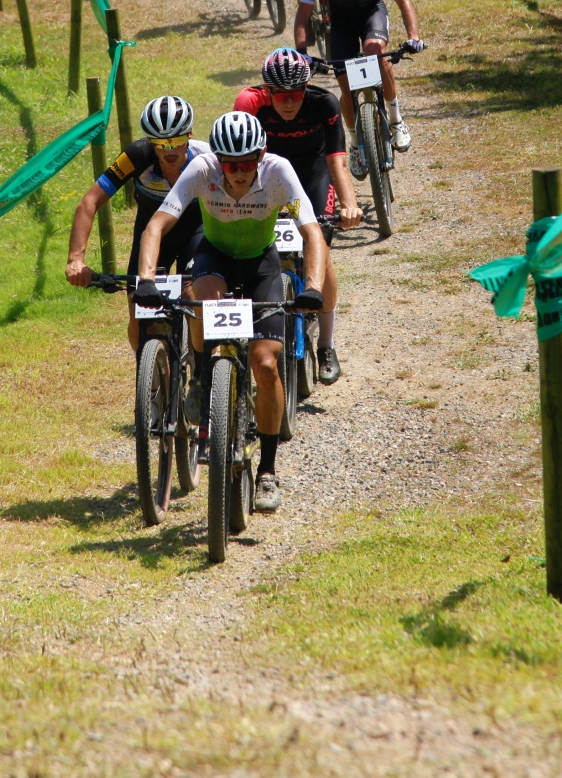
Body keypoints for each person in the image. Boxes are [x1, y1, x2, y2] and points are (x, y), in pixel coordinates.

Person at [135, 111, 328, 515]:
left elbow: (312, 232)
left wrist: (311, 287)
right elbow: (156, 226)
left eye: (245, 164)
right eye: (229, 164)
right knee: (202, 299)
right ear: (217, 158)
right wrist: (147, 280)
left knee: (265, 362)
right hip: (215, 256)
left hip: (261, 264)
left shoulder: (279, 172)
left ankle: (268, 471)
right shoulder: (202, 168)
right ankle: (203, 379)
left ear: (261, 155)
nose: (237, 173)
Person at [233, 48, 359, 383]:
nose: (289, 103)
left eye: (296, 94)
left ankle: (327, 346)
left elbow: (336, 163)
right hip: (270, 179)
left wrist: (349, 204)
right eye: (282, 96)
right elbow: (239, 162)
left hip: (314, 174)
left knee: (322, 253)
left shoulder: (325, 104)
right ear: (267, 91)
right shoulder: (251, 105)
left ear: (306, 88)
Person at [64, 96, 206, 350]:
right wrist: (76, 258)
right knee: (139, 312)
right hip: (151, 234)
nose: (169, 150)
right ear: (151, 142)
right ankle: (154, 379)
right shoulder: (136, 155)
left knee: (193, 298)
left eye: (176, 140)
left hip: (196, 231)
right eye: (161, 143)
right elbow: (89, 202)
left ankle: (201, 374)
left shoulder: (207, 158)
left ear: (190, 135)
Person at [293, 0, 424, 171]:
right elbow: (303, 15)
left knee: (376, 52)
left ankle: (396, 121)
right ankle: (355, 143)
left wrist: (414, 36)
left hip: (370, 13)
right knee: (346, 87)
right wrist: (301, 53)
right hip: (340, 25)